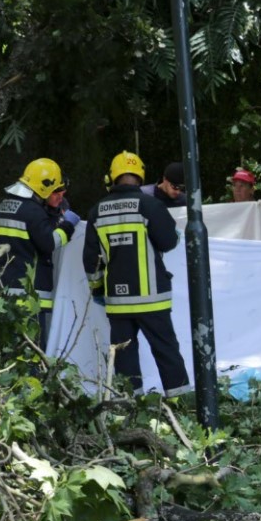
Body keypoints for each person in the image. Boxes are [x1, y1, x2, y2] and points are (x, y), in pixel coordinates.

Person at [84, 151, 191, 396]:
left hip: (119, 302)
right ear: (140, 176)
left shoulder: (96, 212)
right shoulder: (150, 205)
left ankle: (129, 408)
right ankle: (181, 403)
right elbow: (168, 242)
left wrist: (98, 289)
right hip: (153, 298)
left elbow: (92, 261)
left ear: (112, 177)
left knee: (124, 357)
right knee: (166, 351)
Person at [0, 158, 75, 346]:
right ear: (44, 188)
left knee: (7, 350)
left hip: (3, 289)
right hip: (29, 294)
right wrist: (68, 226)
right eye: (56, 190)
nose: (60, 194)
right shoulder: (33, 212)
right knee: (31, 354)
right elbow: (49, 243)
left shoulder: (4, 206)